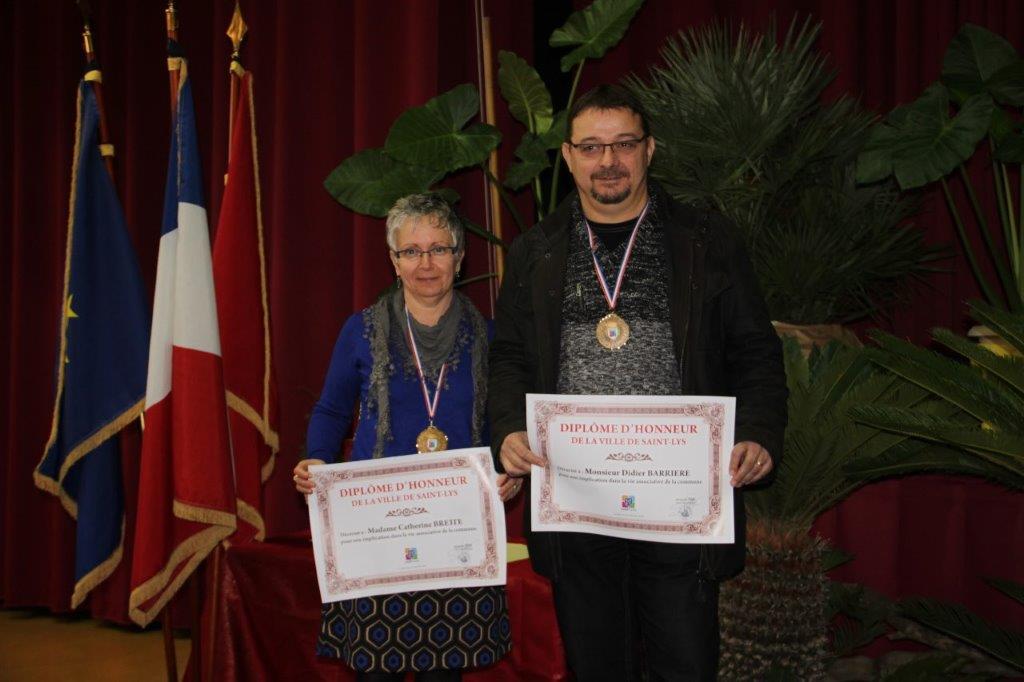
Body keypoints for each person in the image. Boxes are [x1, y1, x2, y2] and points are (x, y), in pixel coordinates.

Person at [487, 84, 788, 681]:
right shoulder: (535, 251)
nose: (608, 161)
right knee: (598, 666)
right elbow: (509, 358)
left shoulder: (707, 241)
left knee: (686, 664)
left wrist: (757, 431)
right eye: (591, 147)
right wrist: (509, 430)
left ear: (649, 149)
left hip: (680, 500)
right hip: (576, 505)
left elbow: (755, 350)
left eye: (624, 144)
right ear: (568, 156)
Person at [294, 193, 518, 682]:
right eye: (411, 251)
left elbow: (502, 422)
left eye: (439, 249)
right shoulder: (360, 331)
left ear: (460, 257)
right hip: (378, 529)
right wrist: (317, 459)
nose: (426, 263)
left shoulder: (489, 336)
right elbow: (332, 410)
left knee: (444, 672)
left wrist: (507, 471)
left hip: (455, 528)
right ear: (394, 262)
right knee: (377, 669)